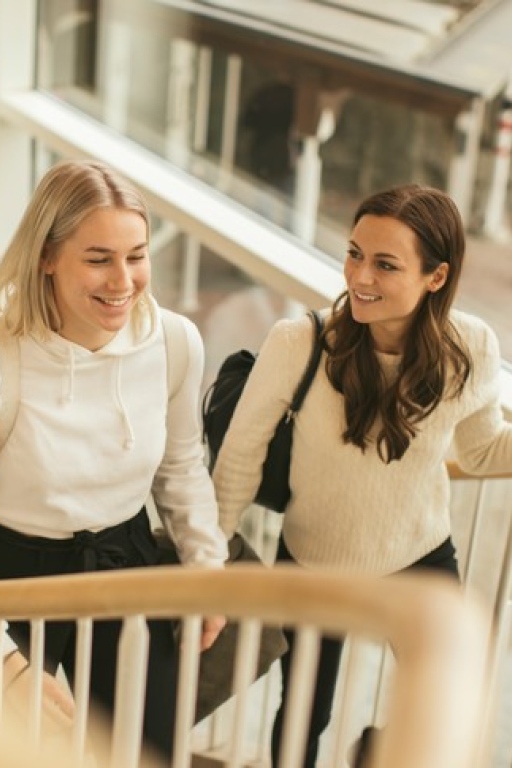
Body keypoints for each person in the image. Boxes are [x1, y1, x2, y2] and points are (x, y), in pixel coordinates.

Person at [0, 159, 228, 760]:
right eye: (99, 258)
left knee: (146, 751)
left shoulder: (175, 343)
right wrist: (4, 664)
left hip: (122, 558)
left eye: (137, 254)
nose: (124, 280)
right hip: (2, 579)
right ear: (47, 257)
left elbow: (181, 466)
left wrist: (208, 564)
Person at [212, 183, 512, 768]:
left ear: (436, 277)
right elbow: (240, 460)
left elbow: (480, 452)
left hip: (419, 554)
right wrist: (211, 563)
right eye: (354, 253)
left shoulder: (471, 348)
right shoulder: (299, 341)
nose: (359, 277)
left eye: (385, 264)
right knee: (302, 716)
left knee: (451, 697)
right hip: (313, 564)